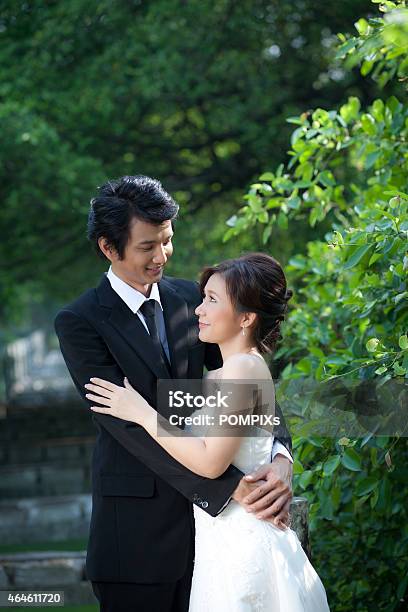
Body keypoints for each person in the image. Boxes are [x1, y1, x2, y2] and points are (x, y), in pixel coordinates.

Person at [54, 176, 294, 612]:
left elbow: (247, 381)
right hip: (137, 536)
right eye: (148, 246)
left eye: (167, 241)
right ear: (110, 248)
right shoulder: (80, 321)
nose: (162, 256)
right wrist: (230, 488)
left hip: (218, 540)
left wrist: (280, 458)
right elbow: (125, 423)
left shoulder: (194, 300)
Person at [86, 252, 330, 611]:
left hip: (243, 540)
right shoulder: (218, 374)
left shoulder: (244, 369)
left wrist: (141, 412)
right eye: (203, 298)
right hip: (214, 541)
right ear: (111, 247)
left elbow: (212, 462)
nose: (198, 310)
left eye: (212, 301)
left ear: (247, 317)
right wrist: (278, 454)